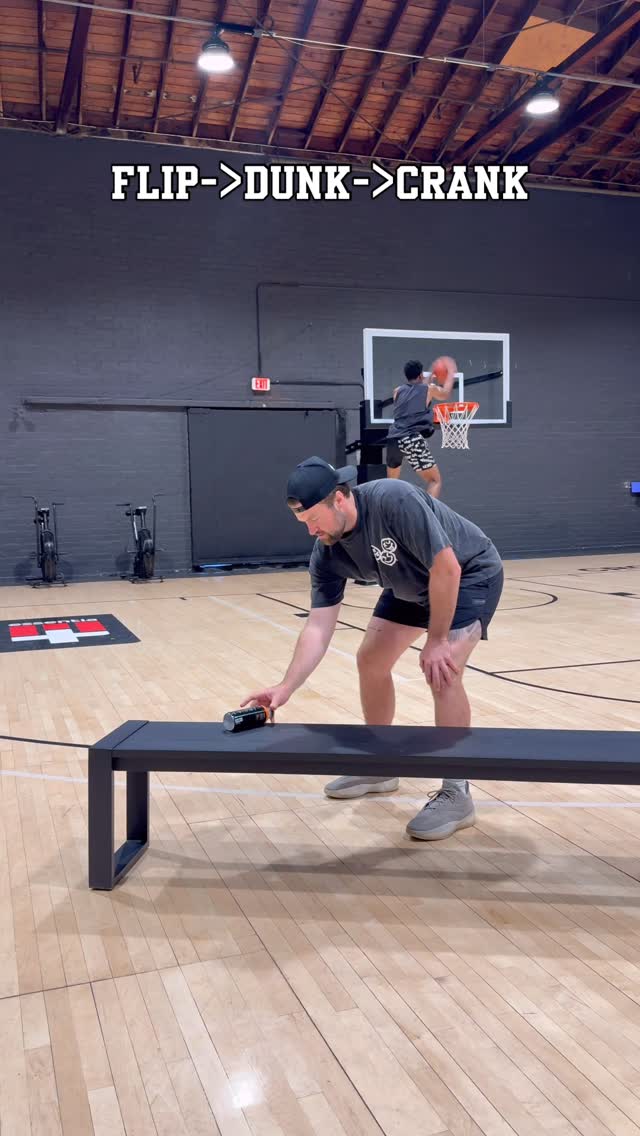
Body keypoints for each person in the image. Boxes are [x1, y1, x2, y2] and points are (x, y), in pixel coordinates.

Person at [242, 456, 504, 841]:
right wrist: (286, 687)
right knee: (370, 660)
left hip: (467, 574)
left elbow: (447, 568)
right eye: (303, 522)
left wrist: (435, 641)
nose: (311, 530)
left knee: (442, 670)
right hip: (409, 585)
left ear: (339, 498)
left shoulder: (393, 500)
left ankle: (456, 790)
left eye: (313, 519)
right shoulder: (327, 551)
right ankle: (381, 763)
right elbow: (318, 627)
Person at [385, 357, 457, 498]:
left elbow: (417, 390)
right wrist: (450, 374)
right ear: (420, 375)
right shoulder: (429, 389)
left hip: (393, 439)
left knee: (391, 484)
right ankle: (425, 511)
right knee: (435, 481)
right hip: (411, 438)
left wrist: (430, 374)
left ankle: (387, 510)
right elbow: (444, 394)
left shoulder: (397, 391)